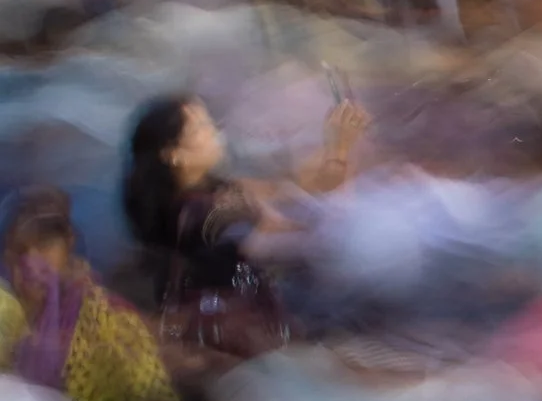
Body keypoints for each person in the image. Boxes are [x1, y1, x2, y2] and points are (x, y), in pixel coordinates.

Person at [122, 90, 366, 366]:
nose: (216, 132)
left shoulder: (214, 192)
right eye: (202, 128)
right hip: (239, 342)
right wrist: (341, 150)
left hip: (247, 327)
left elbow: (304, 185)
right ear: (175, 154)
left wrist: (338, 145)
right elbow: (308, 237)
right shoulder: (205, 214)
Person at [0, 187, 177, 401]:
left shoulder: (112, 324)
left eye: (44, 244)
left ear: (68, 244)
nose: (31, 263)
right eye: (19, 249)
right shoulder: (7, 320)